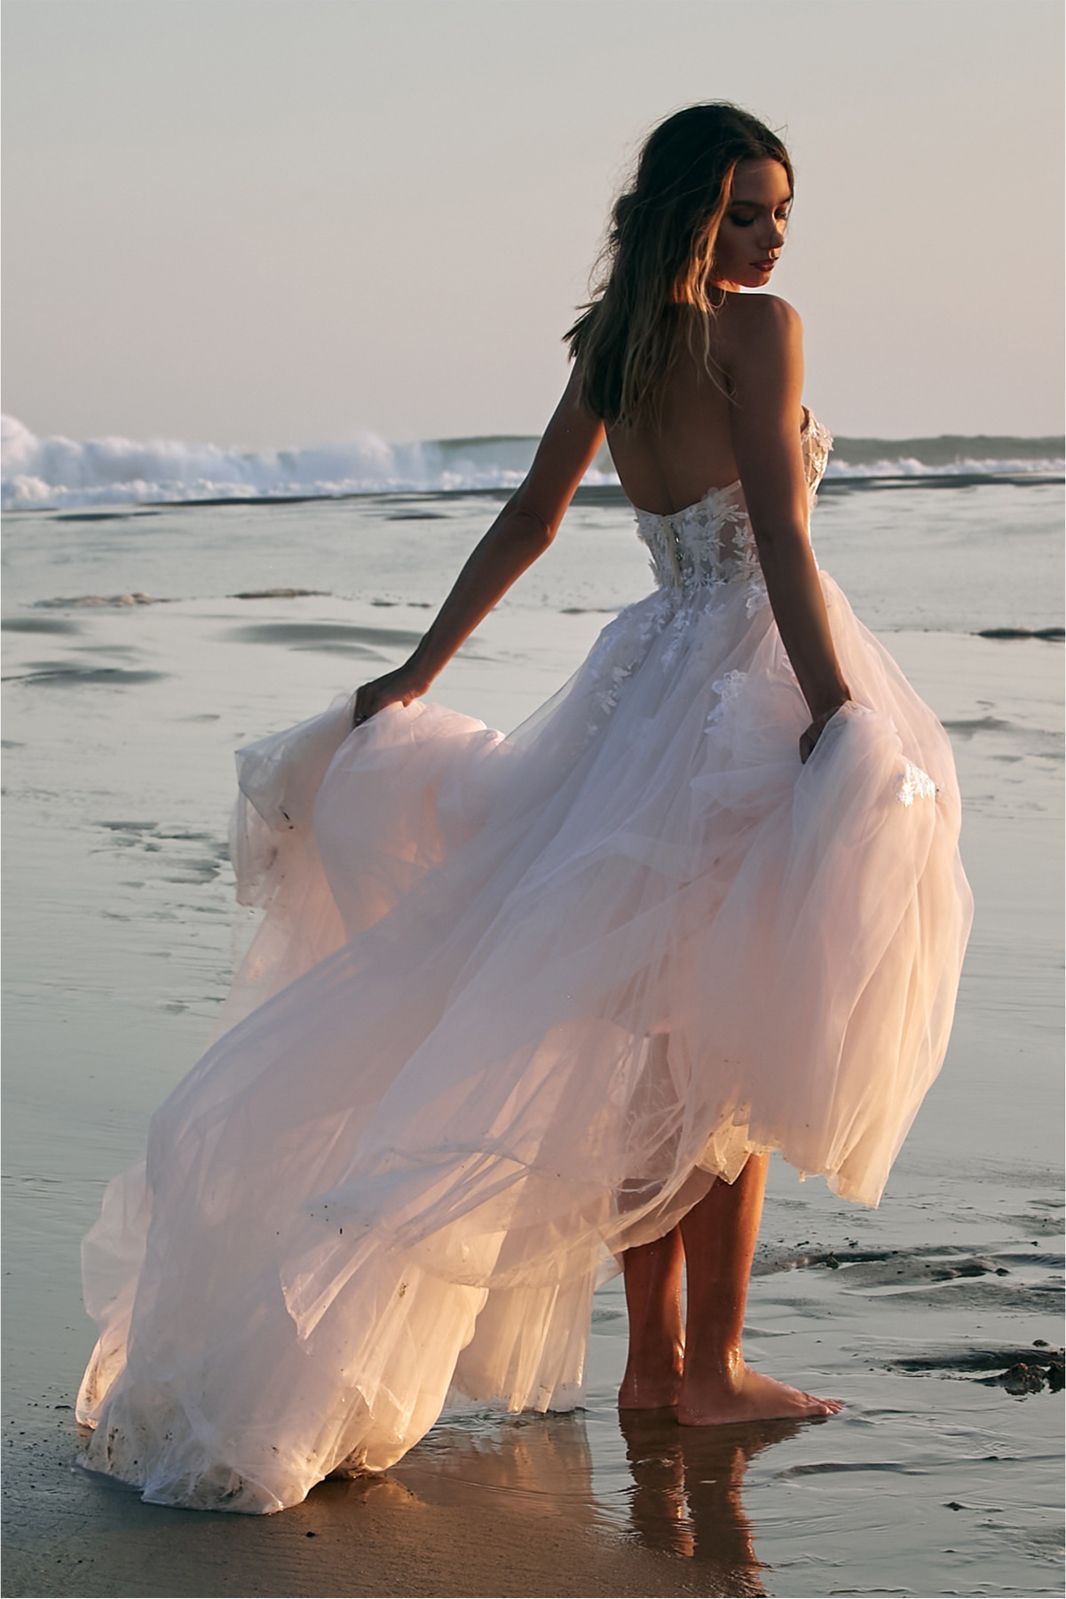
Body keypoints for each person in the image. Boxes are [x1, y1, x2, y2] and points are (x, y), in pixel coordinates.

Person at [76, 102, 974, 1514]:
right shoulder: (758, 332)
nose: (769, 240)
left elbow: (531, 518)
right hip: (741, 685)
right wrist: (833, 711)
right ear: (689, 211)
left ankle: (656, 1367)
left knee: (658, 1037)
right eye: (744, 212)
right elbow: (776, 534)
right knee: (727, 1042)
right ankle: (708, 1368)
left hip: (642, 691)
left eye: (780, 215)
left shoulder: (612, 344)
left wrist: (418, 670)